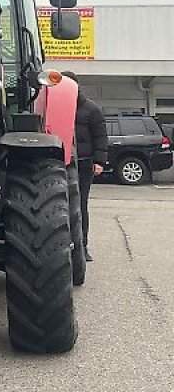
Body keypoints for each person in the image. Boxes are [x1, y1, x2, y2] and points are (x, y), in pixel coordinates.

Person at [61, 71, 108, 262]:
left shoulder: (91, 109)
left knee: (79, 205)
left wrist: (99, 161)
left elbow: (101, 136)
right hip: (61, 162)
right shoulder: (57, 106)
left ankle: (83, 246)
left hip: (84, 162)